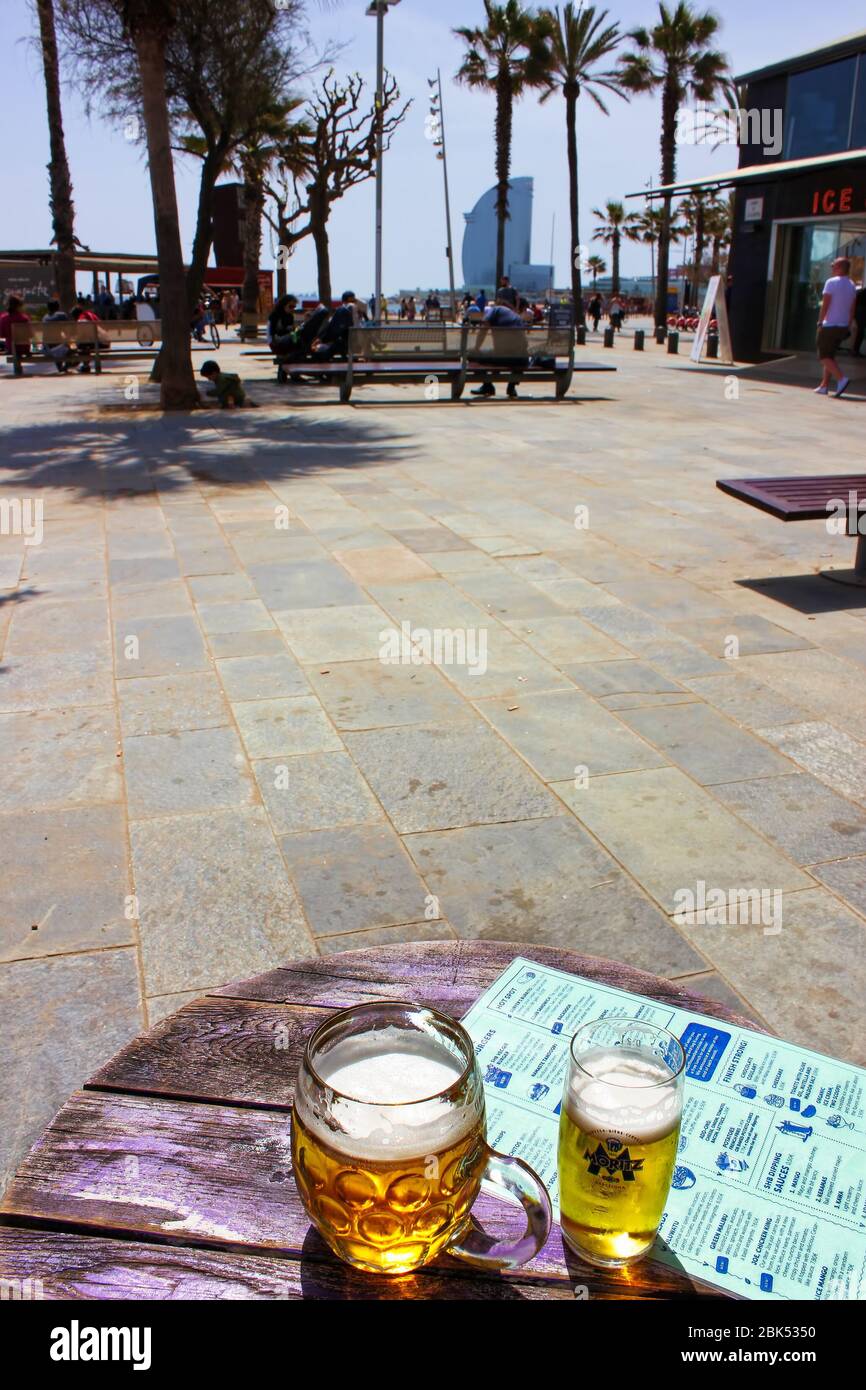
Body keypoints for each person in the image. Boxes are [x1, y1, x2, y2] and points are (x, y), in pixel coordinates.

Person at [467, 295, 528, 399]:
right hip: (521, 359)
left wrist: (476, 348)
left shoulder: (495, 309)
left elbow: (483, 329)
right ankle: (512, 386)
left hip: (504, 356)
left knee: (470, 355)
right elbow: (524, 344)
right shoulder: (515, 316)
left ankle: (487, 385)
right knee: (510, 353)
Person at [815, 256, 856, 398]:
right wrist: (848, 325)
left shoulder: (831, 282)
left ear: (839, 268)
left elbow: (825, 305)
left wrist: (820, 322)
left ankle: (841, 379)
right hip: (842, 325)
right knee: (830, 355)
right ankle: (824, 385)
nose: (832, 268)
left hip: (830, 325)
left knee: (823, 356)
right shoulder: (851, 285)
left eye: (833, 265)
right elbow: (852, 308)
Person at [311, 291, 358, 360]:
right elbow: (355, 323)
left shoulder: (340, 309)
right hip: (348, 338)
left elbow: (331, 324)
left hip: (340, 338)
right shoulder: (351, 308)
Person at [42, 299, 72, 372]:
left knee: (58, 344)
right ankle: (65, 366)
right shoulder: (61, 315)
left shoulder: (45, 317)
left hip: (46, 349)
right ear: (58, 307)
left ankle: (60, 367)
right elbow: (68, 331)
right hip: (57, 348)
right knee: (72, 350)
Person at [0, 294, 32, 360]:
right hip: (24, 348)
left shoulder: (4, 318)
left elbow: (2, 335)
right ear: (18, 306)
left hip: (11, 348)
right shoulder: (24, 318)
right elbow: (30, 334)